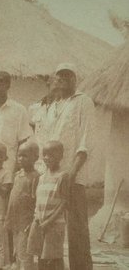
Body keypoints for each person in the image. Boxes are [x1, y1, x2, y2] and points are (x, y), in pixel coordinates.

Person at [49, 63, 94, 270]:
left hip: (73, 175)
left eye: (67, 77)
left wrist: (72, 172)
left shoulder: (83, 102)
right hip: (50, 174)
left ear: (74, 80)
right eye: (59, 77)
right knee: (49, 223)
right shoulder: (53, 105)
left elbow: (87, 139)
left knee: (77, 228)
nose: (62, 81)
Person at [28, 141, 68, 270]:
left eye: (51, 154)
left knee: (54, 257)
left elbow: (64, 203)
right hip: (39, 222)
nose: (47, 157)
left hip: (54, 224)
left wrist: (49, 221)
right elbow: (38, 201)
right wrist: (36, 219)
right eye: (44, 154)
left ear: (61, 156)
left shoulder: (62, 176)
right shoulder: (41, 178)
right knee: (40, 254)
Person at [5, 141, 40, 270]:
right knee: (17, 251)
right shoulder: (17, 175)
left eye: (25, 156)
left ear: (35, 157)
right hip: (15, 220)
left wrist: (32, 222)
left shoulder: (36, 177)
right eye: (19, 155)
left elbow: (35, 201)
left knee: (25, 252)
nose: (20, 159)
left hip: (26, 221)